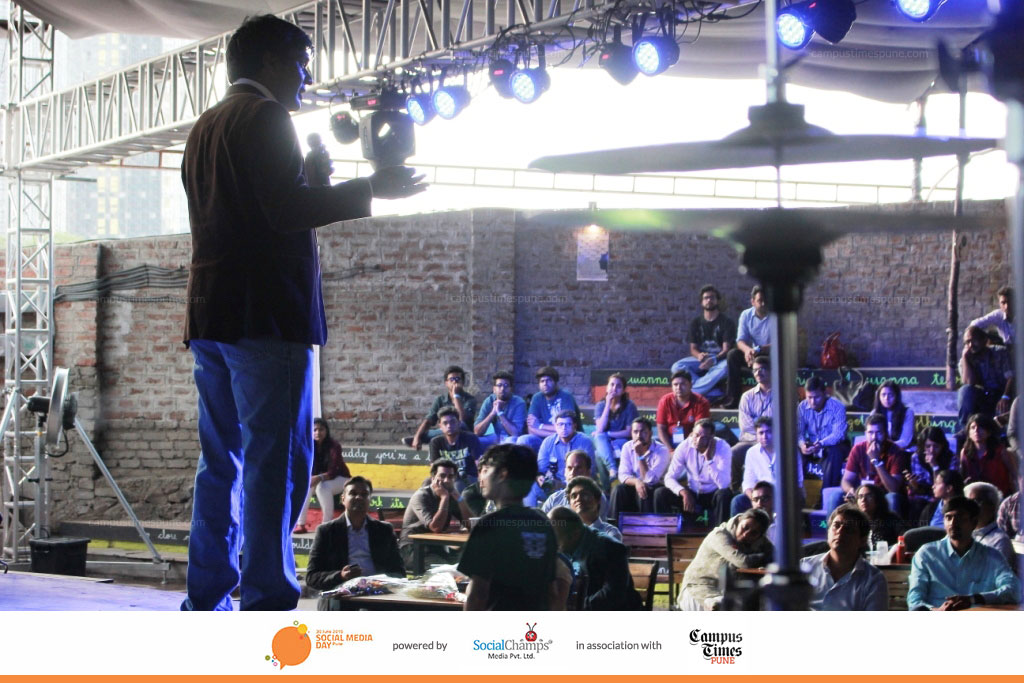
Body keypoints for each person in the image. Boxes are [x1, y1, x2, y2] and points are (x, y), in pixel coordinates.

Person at [180, 14, 424, 611]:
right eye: (300, 62)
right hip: (266, 315)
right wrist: (372, 188)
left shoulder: (205, 126)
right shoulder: (267, 117)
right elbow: (284, 213)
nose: (306, 76)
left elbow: (254, 211)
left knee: (220, 462)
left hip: (211, 314)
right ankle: (266, 595)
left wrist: (312, 181)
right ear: (268, 61)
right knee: (277, 463)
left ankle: (206, 595)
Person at [458, 444, 565, 610]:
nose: (481, 479)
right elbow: (552, 592)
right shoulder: (543, 525)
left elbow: (478, 593)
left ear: (502, 474)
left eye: (486, 471)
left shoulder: (489, 525)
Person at [305, 477, 406, 610]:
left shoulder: (384, 530)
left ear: (370, 500)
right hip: (341, 595)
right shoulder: (326, 531)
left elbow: (399, 572)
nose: (359, 497)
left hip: (378, 593)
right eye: (353, 493)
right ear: (343, 499)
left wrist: (380, 582)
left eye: (364, 494)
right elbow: (311, 577)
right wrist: (340, 575)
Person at [908, 496, 1020, 610]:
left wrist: (974, 599)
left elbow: (1015, 590)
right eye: (948, 517)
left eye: (960, 518)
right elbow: (915, 599)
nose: (953, 523)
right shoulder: (927, 554)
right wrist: (936, 611)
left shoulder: (992, 556)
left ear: (974, 522)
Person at [677, 508, 773, 611]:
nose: (746, 534)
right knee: (723, 606)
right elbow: (742, 561)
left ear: (760, 536)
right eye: (745, 527)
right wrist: (763, 557)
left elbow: (776, 556)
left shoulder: (760, 541)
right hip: (699, 589)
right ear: (739, 520)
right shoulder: (720, 535)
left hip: (728, 592)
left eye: (753, 533)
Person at [548, 507, 642, 610]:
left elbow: (613, 594)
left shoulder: (610, 548)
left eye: (555, 539)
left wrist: (576, 606)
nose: (552, 544)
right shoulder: (565, 545)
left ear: (575, 534)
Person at [800, 504, 888, 611]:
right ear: (828, 532)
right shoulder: (805, 567)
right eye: (836, 525)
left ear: (862, 540)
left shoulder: (873, 579)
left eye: (849, 529)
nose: (840, 531)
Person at [655, 418, 733, 526]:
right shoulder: (684, 446)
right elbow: (669, 478)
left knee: (724, 494)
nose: (698, 440)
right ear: (692, 433)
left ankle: (721, 532)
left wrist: (709, 460)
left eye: (703, 437)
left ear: (712, 437)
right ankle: (665, 530)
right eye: (696, 435)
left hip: (713, 493)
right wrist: (683, 492)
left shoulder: (723, 447)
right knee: (660, 493)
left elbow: (724, 484)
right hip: (692, 492)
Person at [671, 285, 737, 400]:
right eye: (706, 298)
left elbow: (726, 350)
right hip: (701, 359)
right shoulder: (696, 322)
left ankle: (692, 392)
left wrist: (713, 359)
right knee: (677, 366)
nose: (709, 300)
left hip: (719, 359)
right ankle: (712, 392)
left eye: (712, 297)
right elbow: (693, 349)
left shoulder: (727, 322)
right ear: (702, 302)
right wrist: (699, 356)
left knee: (726, 367)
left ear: (717, 300)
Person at [399, 459, 466, 570]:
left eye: (450, 477)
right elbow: (435, 527)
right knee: (445, 570)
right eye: (442, 476)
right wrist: (444, 498)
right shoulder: (421, 496)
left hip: (436, 548)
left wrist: (459, 498)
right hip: (414, 549)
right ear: (433, 478)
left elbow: (470, 523)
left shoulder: (451, 495)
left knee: (468, 562)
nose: (446, 480)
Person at [839, 413, 909, 517]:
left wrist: (876, 461)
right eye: (870, 433)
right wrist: (851, 490)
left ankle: (893, 528)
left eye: (878, 433)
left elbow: (893, 488)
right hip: (863, 494)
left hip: (884, 495)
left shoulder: (896, 451)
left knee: (893, 498)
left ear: (885, 433)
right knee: (836, 496)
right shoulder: (858, 449)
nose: (874, 437)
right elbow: (846, 480)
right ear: (865, 433)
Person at [732, 417, 803, 516]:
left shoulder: (790, 450)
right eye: (761, 433)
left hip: (784, 495)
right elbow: (748, 483)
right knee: (738, 501)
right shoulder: (751, 453)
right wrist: (755, 500)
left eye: (768, 432)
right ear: (756, 435)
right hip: (759, 495)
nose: (765, 436)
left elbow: (797, 481)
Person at [528, 410, 596, 507]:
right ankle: (529, 515)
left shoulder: (585, 442)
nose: (564, 428)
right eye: (560, 424)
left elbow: (590, 472)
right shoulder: (548, 442)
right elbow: (541, 469)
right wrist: (540, 477)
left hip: (576, 486)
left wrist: (564, 484)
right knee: (530, 485)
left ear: (575, 426)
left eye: (568, 424)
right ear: (555, 426)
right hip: (552, 485)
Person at [295, 418, 351, 533]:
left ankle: (327, 525)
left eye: (321, 429)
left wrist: (319, 477)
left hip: (340, 479)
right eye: (314, 430)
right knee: (305, 486)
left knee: (322, 487)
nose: (318, 432)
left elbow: (334, 470)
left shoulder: (334, 446)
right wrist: (311, 479)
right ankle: (301, 524)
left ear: (326, 431)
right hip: (319, 480)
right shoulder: (308, 446)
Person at [609, 417, 671, 520]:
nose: (639, 435)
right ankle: (613, 525)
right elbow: (623, 475)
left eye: (643, 432)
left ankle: (646, 526)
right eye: (635, 432)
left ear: (650, 433)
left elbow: (650, 480)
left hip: (655, 487)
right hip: (635, 485)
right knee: (618, 489)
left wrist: (640, 455)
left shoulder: (662, 450)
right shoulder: (627, 447)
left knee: (645, 489)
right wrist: (636, 482)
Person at [403, 365, 478, 450]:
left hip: (464, 433)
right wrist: (417, 436)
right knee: (437, 430)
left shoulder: (470, 399)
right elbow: (429, 420)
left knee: (459, 426)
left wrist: (456, 396)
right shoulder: (440, 399)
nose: (454, 382)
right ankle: (419, 438)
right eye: (451, 379)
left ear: (463, 382)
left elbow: (461, 419)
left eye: (457, 379)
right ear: (446, 383)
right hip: (445, 431)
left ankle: (424, 438)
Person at [957, 325, 1013, 432]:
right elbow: (969, 383)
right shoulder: (964, 361)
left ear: (984, 340)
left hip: (1002, 394)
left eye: (973, 340)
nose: (970, 345)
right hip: (982, 397)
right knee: (965, 390)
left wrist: (1005, 396)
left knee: (1004, 409)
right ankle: (965, 430)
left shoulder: (1000, 352)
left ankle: (1002, 434)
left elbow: (1010, 377)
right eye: (967, 342)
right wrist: (965, 358)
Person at [797, 375, 849, 490]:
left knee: (835, 452)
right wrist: (802, 445)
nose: (813, 401)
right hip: (812, 444)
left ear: (825, 394)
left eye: (817, 397)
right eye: (809, 397)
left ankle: (826, 494)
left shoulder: (837, 407)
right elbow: (798, 433)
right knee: (794, 451)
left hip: (834, 444)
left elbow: (838, 434)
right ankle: (797, 492)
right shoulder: (802, 407)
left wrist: (821, 444)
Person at [730, 356, 773, 492]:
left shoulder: (782, 394)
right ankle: (735, 490)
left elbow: (785, 423)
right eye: (755, 370)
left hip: (775, 441)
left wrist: (768, 438)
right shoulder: (747, 397)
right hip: (750, 440)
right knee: (733, 453)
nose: (758, 373)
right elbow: (746, 426)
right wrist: (760, 439)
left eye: (762, 369)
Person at [726, 285, 772, 408]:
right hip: (753, 352)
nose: (763, 304)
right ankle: (733, 400)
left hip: (770, 353)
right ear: (753, 302)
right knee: (732, 355)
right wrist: (747, 351)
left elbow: (780, 341)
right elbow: (740, 340)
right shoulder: (746, 315)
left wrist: (759, 349)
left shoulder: (776, 315)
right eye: (760, 300)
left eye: (766, 300)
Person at [592, 373, 638, 492]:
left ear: (623, 390)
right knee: (598, 449)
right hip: (605, 442)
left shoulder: (629, 406)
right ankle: (610, 477)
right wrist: (608, 404)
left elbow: (629, 432)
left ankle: (610, 486)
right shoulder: (600, 406)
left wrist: (608, 434)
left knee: (600, 447)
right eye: (611, 385)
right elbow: (600, 428)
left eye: (618, 386)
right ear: (607, 387)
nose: (614, 388)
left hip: (623, 441)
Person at [518, 366, 581, 452]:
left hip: (565, 439)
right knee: (523, 440)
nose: (545, 384)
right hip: (543, 439)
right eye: (542, 381)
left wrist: (540, 426)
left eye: (549, 380)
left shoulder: (566, 397)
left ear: (555, 382)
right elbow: (531, 428)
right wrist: (553, 433)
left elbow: (567, 428)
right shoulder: (537, 398)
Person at [960, 413, 1018, 497]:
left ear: (989, 432)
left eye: (980, 427)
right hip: (974, 497)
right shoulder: (965, 452)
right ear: (968, 432)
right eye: (973, 428)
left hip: (1000, 496)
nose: (976, 430)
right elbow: (963, 476)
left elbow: (1015, 474)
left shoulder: (1001, 451)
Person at [905, 427, 956, 522]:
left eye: (936, 446)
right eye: (928, 446)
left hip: (944, 495)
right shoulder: (917, 457)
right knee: (917, 505)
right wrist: (914, 484)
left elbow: (948, 485)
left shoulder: (951, 458)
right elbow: (920, 488)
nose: (932, 450)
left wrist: (935, 467)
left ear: (942, 446)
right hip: (923, 496)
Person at [541, 449, 610, 519]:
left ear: (588, 472)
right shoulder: (554, 500)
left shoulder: (598, 499)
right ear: (565, 472)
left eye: (578, 468)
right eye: (569, 468)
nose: (573, 472)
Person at [428, 407, 481, 492]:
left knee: (457, 485)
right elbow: (434, 468)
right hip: (445, 477)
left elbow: (478, 463)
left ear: (459, 423)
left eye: (452, 422)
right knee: (426, 484)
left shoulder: (470, 438)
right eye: (445, 423)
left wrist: (481, 480)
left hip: (468, 477)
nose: (449, 426)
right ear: (440, 426)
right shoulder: (436, 442)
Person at [655, 369, 711, 450]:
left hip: (692, 441)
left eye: (683, 384)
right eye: (675, 385)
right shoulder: (665, 400)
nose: (679, 388)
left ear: (690, 385)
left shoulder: (701, 402)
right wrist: (670, 450)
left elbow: (699, 431)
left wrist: (682, 451)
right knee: (653, 442)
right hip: (669, 439)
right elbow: (661, 429)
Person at [964, 481, 1016, 567]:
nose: (969, 507)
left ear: (991, 506)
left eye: (975, 501)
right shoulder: (964, 533)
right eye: (966, 502)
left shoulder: (1000, 541)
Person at [474, 371, 527, 448]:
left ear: (511, 389)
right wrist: (492, 413)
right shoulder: (489, 401)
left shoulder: (519, 403)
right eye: (499, 385)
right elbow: (477, 432)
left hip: (512, 439)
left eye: (506, 385)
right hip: (495, 437)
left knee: (510, 441)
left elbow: (515, 433)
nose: (502, 389)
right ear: (494, 389)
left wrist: (500, 413)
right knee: (474, 441)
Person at [566, 476, 622, 541]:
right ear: (570, 504)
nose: (578, 499)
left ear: (598, 500)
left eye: (584, 494)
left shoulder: (610, 533)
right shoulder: (565, 533)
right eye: (573, 496)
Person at [854, 483, 907, 550]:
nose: (863, 499)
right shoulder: (854, 521)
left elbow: (905, 539)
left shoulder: (892, 519)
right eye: (860, 496)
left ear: (878, 499)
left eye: (869, 496)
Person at [873, 381, 915, 451]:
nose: (886, 398)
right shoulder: (874, 413)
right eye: (883, 395)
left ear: (897, 396)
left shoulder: (907, 412)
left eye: (890, 395)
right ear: (878, 397)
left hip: (902, 450)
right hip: (880, 450)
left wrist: (887, 446)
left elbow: (905, 441)